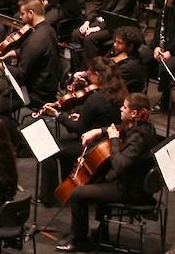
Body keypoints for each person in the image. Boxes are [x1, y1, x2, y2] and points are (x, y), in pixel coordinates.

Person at [56, 92, 157, 252]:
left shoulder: (140, 137)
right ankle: (102, 232)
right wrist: (99, 131)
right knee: (99, 178)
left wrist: (114, 140)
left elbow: (119, 164)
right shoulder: (142, 126)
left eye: (124, 107)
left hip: (131, 190)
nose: (121, 109)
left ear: (134, 113)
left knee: (77, 194)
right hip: (130, 181)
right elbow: (119, 129)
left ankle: (80, 241)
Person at [37, 58, 127, 207]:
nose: (87, 78)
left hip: (91, 146)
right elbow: (104, 119)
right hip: (111, 143)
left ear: (97, 75)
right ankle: (69, 187)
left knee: (50, 151)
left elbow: (78, 128)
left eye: (90, 75)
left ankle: (48, 197)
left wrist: (58, 116)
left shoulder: (95, 99)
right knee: (66, 147)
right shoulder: (121, 93)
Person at [0, 0, 60, 125]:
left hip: (35, 93)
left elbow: (21, 75)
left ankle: (14, 135)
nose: (20, 17)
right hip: (46, 84)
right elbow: (38, 54)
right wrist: (13, 53)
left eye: (23, 14)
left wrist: (1, 66)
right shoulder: (48, 29)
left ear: (31, 13)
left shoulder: (36, 40)